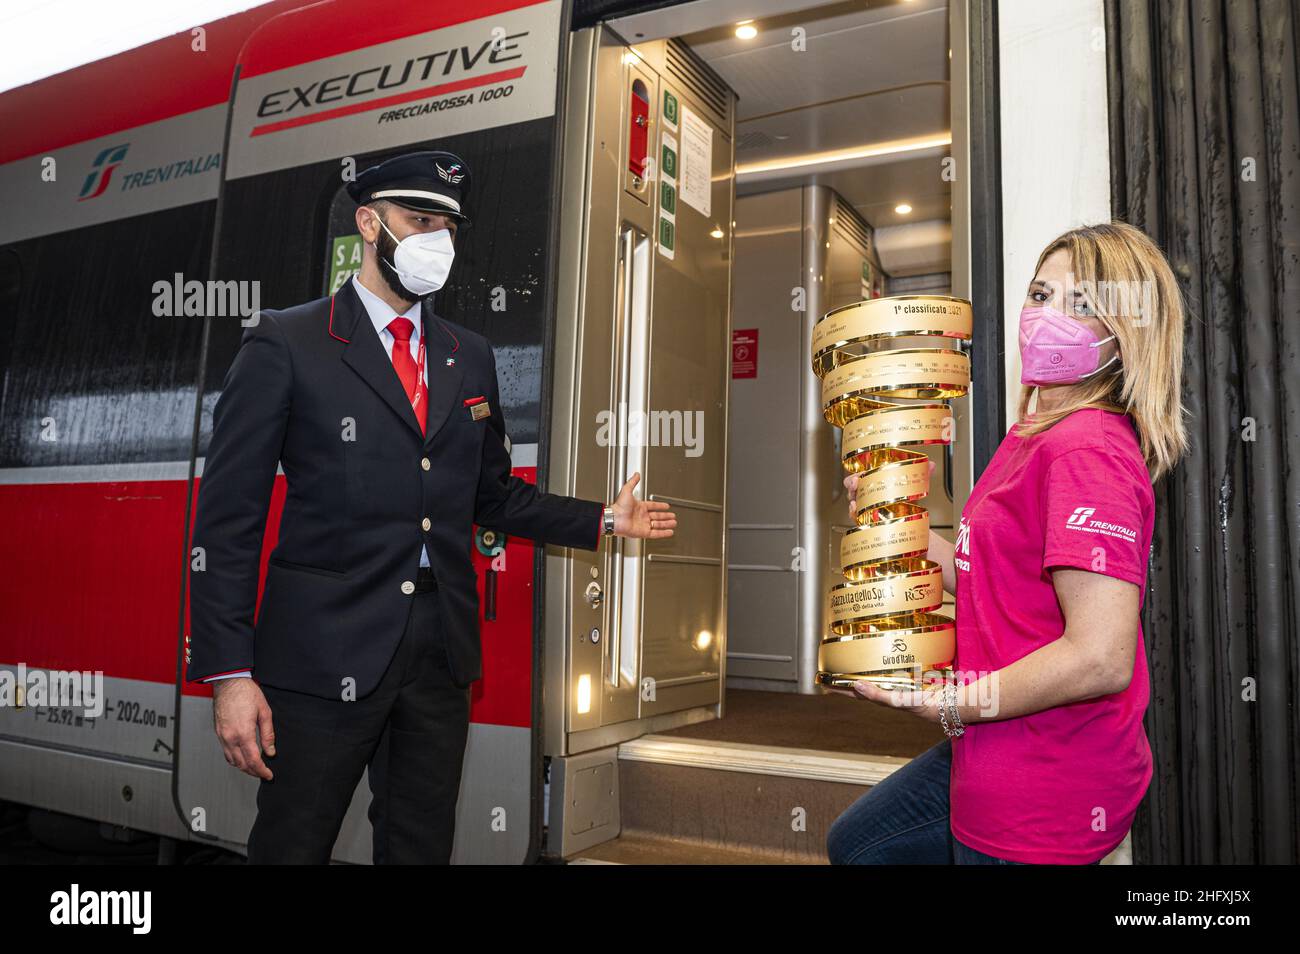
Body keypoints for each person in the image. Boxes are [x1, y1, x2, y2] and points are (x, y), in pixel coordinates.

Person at [186, 149, 676, 864]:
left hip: (438, 654)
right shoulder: (287, 342)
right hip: (322, 654)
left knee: (421, 845)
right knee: (293, 843)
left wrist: (601, 518)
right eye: (419, 220)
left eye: (447, 225)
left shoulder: (465, 353)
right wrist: (230, 675)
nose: (436, 240)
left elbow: (490, 494)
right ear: (367, 224)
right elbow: (227, 522)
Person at [826, 221, 1188, 865]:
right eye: (1041, 294)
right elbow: (984, 570)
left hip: (1046, 782)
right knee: (858, 845)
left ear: (1125, 333)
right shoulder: (1033, 435)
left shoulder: (1087, 451)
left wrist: (948, 701)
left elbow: (1100, 657)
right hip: (991, 744)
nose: (1047, 316)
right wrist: (894, 514)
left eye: (1082, 304)